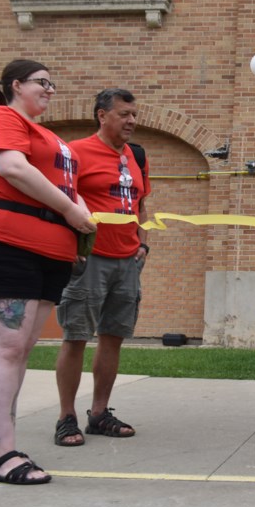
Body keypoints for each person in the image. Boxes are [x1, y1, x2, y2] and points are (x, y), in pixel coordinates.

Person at [0, 59, 96, 484]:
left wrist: (79, 216)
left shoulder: (51, 137)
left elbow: (67, 190)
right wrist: (70, 210)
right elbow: (13, 168)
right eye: (42, 83)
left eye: (52, 83)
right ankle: (3, 454)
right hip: (6, 243)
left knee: (20, 350)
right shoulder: (2, 117)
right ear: (14, 85)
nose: (50, 90)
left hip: (51, 251)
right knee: (6, 349)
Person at [53, 89, 151, 447]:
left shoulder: (137, 157)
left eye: (134, 115)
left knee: (113, 336)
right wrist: (71, 247)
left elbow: (141, 204)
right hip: (89, 260)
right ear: (102, 115)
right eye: (124, 114)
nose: (132, 121)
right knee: (76, 335)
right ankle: (66, 417)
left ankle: (99, 413)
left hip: (128, 262)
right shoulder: (75, 153)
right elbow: (60, 201)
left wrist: (142, 241)